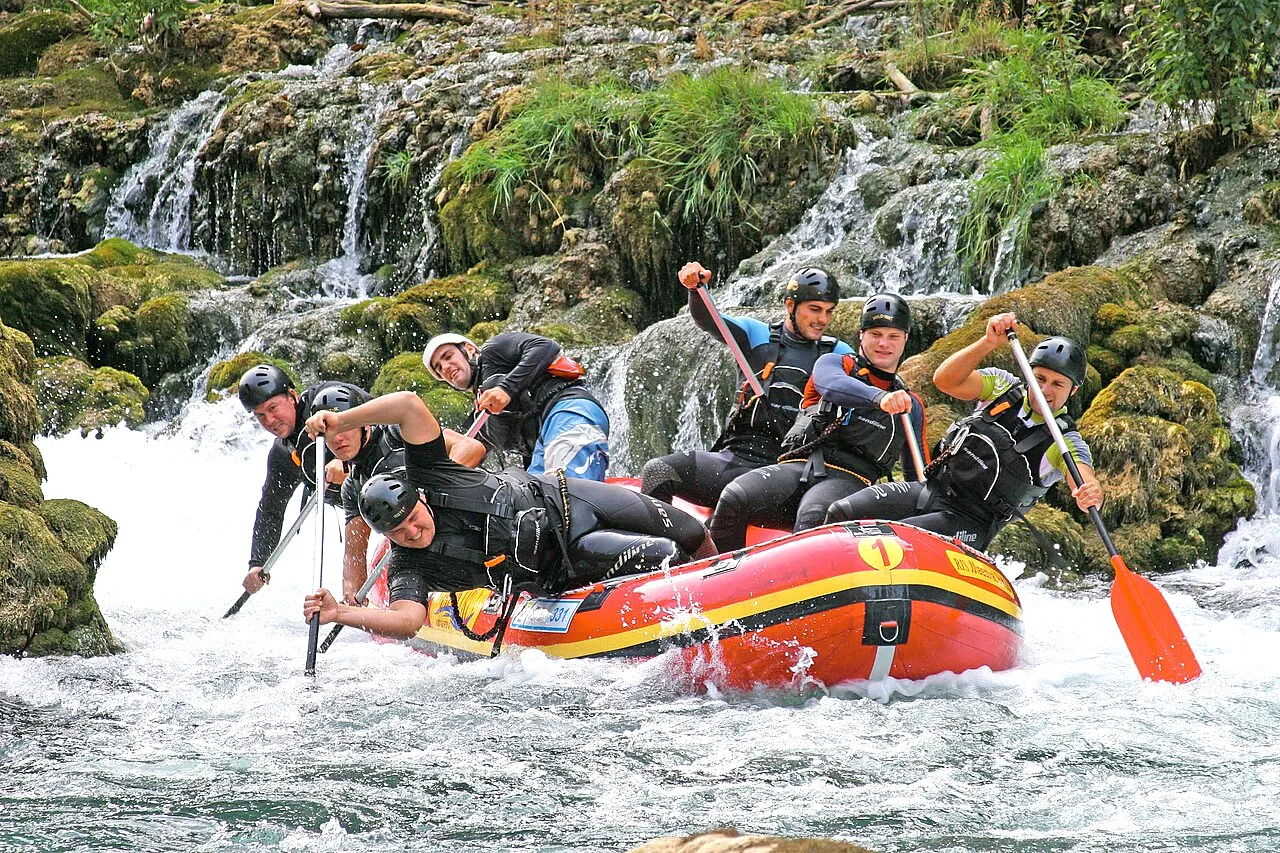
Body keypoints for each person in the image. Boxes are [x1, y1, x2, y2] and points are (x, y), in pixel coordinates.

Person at [300, 391, 717, 639]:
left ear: (421, 498)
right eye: (400, 532)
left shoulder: (430, 472)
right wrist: (341, 613)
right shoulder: (409, 565)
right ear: (387, 538)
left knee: (691, 530)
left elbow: (409, 406)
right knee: (665, 553)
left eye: (413, 517)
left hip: (569, 497)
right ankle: (709, 628)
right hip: (564, 557)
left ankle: (732, 577)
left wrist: (341, 419)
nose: (414, 531)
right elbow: (407, 621)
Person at [825, 313, 1104, 551]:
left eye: (1057, 384)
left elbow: (1083, 478)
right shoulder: (1002, 388)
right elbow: (945, 380)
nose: (1044, 390)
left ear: (1073, 391)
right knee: (842, 512)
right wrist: (988, 343)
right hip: (931, 490)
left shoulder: (1064, 440)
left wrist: (1090, 492)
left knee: (888, 541)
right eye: (1039, 378)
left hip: (971, 522)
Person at [706, 293, 926, 551]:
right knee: (735, 495)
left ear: (905, 340)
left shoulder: (910, 406)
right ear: (861, 336)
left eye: (893, 336)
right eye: (876, 334)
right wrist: (879, 398)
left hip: (849, 482)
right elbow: (830, 385)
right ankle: (717, 578)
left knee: (814, 514)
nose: (884, 344)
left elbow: (917, 479)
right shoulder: (835, 363)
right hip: (798, 467)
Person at [639, 262, 855, 508]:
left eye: (829, 311)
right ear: (790, 305)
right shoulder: (756, 334)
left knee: (739, 497)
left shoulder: (839, 354)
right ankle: (661, 544)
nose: (822, 319)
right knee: (658, 471)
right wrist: (695, 289)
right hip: (739, 458)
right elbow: (709, 319)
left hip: (792, 471)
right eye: (815, 309)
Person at [305, 383, 486, 604]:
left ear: (364, 423)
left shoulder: (398, 433)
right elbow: (354, 555)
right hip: (428, 548)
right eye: (330, 434)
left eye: (345, 428)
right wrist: (350, 601)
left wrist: (431, 491)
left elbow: (471, 448)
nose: (339, 439)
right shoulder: (353, 488)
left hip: (473, 519)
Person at [422, 330, 610, 480]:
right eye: (439, 368)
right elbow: (470, 449)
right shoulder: (481, 415)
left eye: (448, 356)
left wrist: (506, 389)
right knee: (538, 504)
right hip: (542, 443)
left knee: (565, 494)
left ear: (469, 349)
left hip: (568, 410)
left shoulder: (493, 350)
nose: (445, 367)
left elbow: (546, 346)